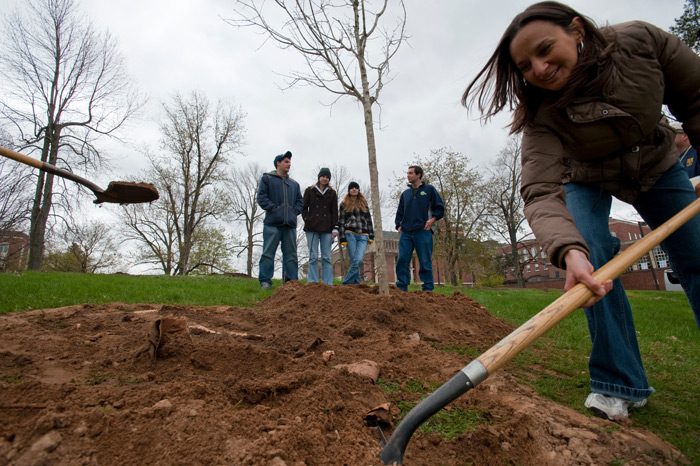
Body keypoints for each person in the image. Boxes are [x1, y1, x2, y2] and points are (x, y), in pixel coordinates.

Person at [462, 1, 700, 421]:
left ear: (576, 29)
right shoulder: (541, 113)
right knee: (590, 261)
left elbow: (696, 97)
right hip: (584, 174)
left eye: (544, 49)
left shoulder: (639, 43)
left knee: (697, 255)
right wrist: (569, 250)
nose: (538, 67)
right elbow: (540, 190)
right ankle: (618, 383)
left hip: (654, 162)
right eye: (525, 64)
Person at [256, 151, 303, 289]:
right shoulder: (267, 179)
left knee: (291, 255)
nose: (289, 164)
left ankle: (290, 283)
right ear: (278, 163)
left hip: (290, 225)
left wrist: (294, 212)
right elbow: (262, 197)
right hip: (272, 224)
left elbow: (300, 201)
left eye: (289, 162)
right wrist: (274, 209)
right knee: (268, 253)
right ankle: (265, 281)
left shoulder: (294, 184)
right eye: (286, 161)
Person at [394, 166, 444, 292]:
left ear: (418, 175)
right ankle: (402, 286)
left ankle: (427, 288)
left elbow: (439, 208)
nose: (408, 175)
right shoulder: (405, 194)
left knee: (424, 260)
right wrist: (398, 225)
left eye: (410, 173)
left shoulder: (429, 190)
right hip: (406, 233)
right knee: (402, 260)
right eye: (407, 173)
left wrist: (433, 220)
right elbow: (400, 212)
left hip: (423, 231)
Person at [302, 167, 339, 285]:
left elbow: (335, 211)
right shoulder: (309, 190)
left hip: (327, 229)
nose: (325, 179)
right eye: (323, 176)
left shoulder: (332, 193)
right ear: (319, 177)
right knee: (313, 257)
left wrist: (335, 228)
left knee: (327, 257)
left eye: (327, 177)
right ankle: (312, 282)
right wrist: (307, 219)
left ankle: (327, 283)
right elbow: (303, 207)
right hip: (312, 228)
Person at [338, 182, 374, 285]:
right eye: (352, 188)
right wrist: (342, 238)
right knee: (354, 261)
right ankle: (357, 283)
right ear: (349, 190)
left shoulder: (364, 204)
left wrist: (371, 235)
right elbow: (341, 222)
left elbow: (369, 220)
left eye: (356, 188)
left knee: (358, 260)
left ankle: (345, 284)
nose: (354, 189)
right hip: (350, 234)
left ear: (358, 190)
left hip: (363, 235)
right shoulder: (343, 204)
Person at [670, 121, 700, 197]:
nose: (668, 137)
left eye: (672, 134)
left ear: (685, 136)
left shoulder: (696, 152)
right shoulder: (676, 160)